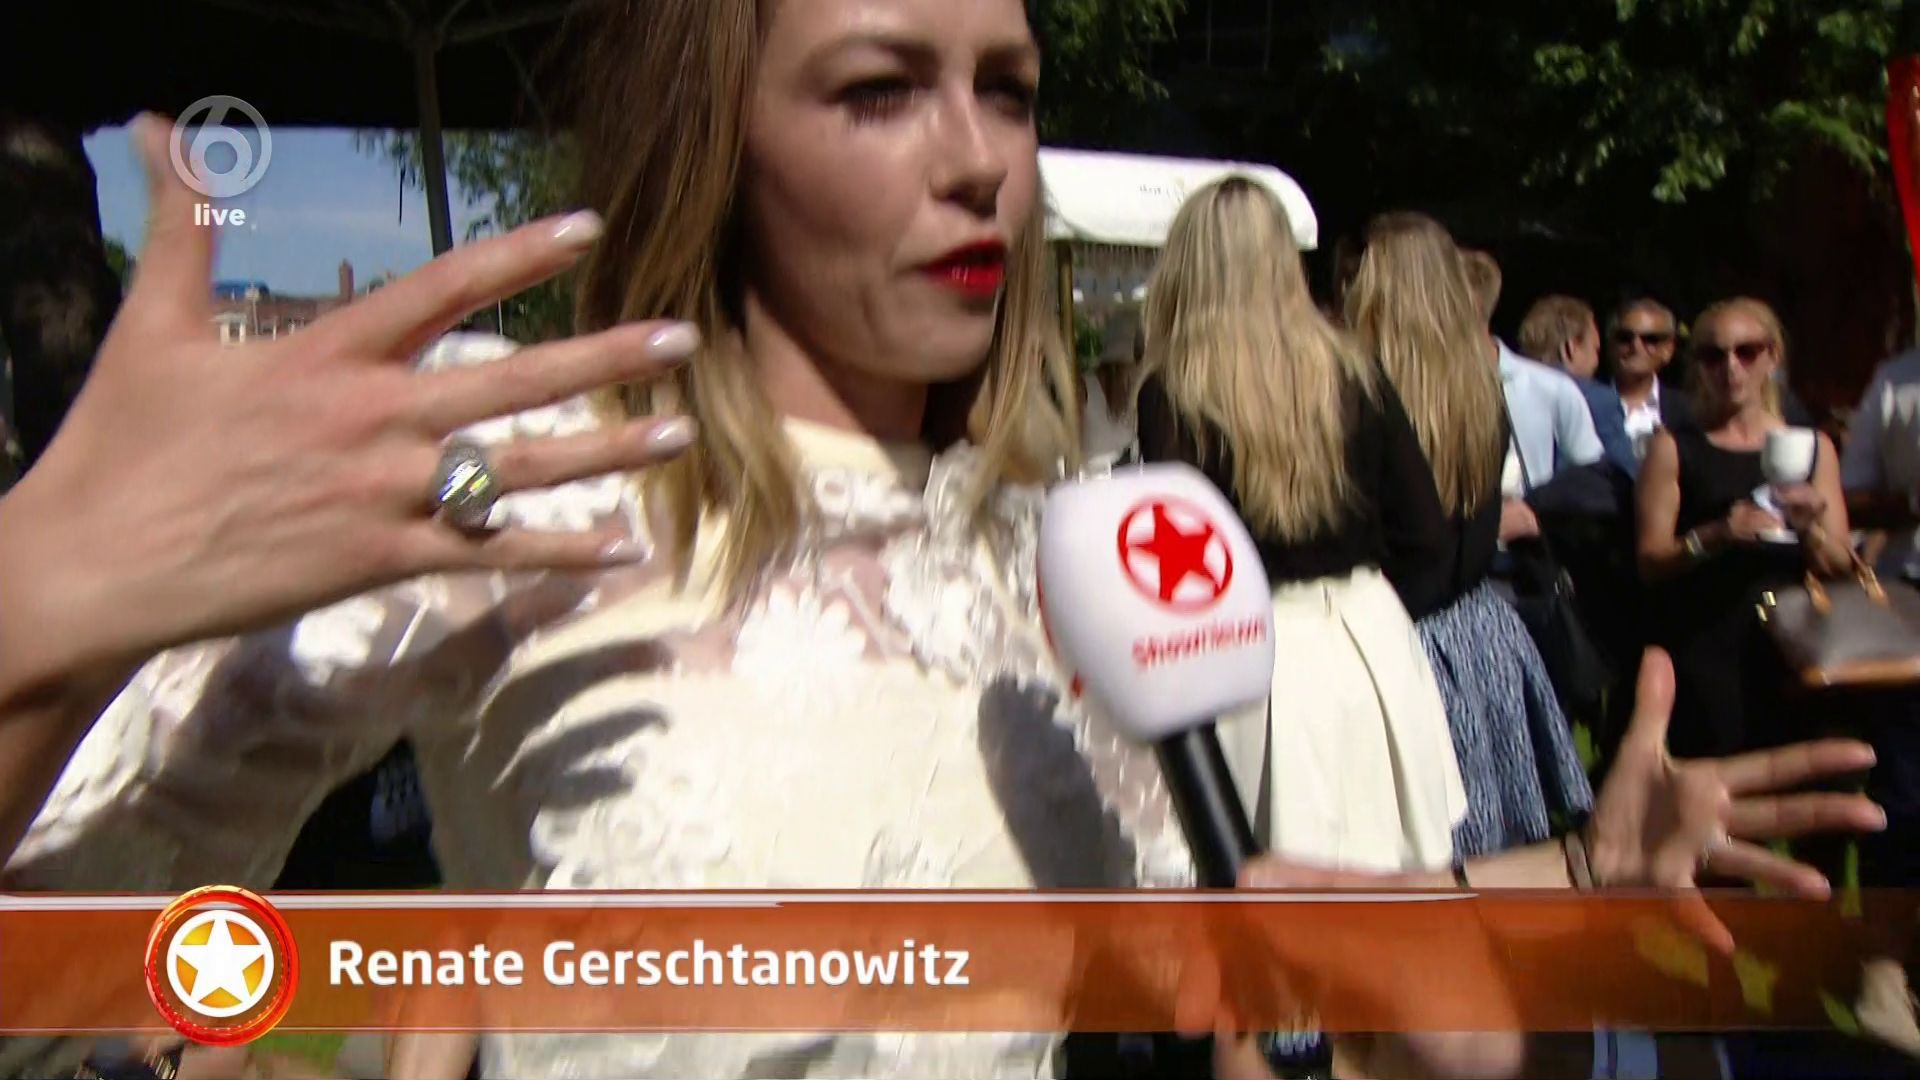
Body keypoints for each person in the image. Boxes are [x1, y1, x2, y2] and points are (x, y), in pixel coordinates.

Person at [0, 9, 1886, 1080]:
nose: (982, 156)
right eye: (881, 87)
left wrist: (1568, 877)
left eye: (1011, 89)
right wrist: (46, 615)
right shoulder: (528, 491)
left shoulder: (1063, 551)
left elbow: (1233, 923)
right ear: (717, 142)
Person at [1133, 176, 1464, 875]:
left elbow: (1182, 573)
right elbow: (1427, 534)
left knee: (1276, 888)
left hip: (1258, 657)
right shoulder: (1356, 371)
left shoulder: (1175, 391)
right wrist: (1375, 609)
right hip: (1371, 637)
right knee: (1400, 882)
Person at [1341, 214, 1593, 861]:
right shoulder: (1482, 391)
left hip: (1399, 640)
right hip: (1481, 632)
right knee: (1492, 860)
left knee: (1413, 859)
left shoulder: (1361, 398)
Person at [1634, 297, 1853, 761]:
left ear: (1772, 357)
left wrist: (1809, 528)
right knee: (1715, 779)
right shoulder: (1674, 448)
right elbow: (1651, 561)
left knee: (1797, 775)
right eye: (1713, 355)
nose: (1730, 368)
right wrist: (1717, 534)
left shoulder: (1813, 447)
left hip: (1789, 637)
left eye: (1746, 352)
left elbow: (1839, 564)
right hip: (1708, 639)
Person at [1458, 250, 1604, 489]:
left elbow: (1593, 478)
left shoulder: (1551, 388)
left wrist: (1537, 507)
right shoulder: (1416, 387)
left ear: (1471, 305)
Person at [1518, 295, 1637, 478]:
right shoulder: (1598, 400)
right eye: (1595, 350)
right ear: (1570, 348)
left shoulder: (1501, 391)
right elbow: (1625, 476)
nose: (1597, 362)